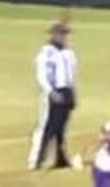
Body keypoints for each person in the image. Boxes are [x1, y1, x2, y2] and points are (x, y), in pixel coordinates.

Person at [29, 19, 79, 171]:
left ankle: (60, 158)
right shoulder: (47, 52)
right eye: (61, 33)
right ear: (54, 34)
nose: (64, 37)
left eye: (65, 34)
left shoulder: (68, 52)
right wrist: (50, 92)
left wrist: (72, 93)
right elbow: (42, 75)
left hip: (66, 91)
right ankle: (36, 159)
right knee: (47, 127)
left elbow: (71, 75)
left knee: (61, 128)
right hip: (54, 91)